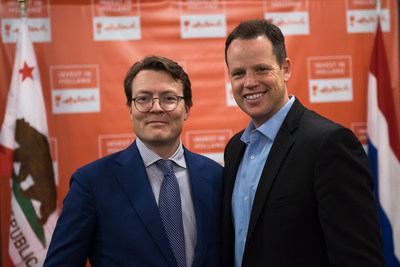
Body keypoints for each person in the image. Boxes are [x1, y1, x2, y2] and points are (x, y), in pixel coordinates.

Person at [221, 19, 386, 267]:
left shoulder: (329, 144)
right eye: (238, 73)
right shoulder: (235, 148)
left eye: (262, 69)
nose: (249, 82)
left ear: (285, 68)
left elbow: (359, 258)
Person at [44, 55, 223, 267]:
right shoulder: (91, 182)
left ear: (187, 109)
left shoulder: (216, 176)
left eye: (169, 98)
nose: (156, 107)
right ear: (130, 109)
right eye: (143, 99)